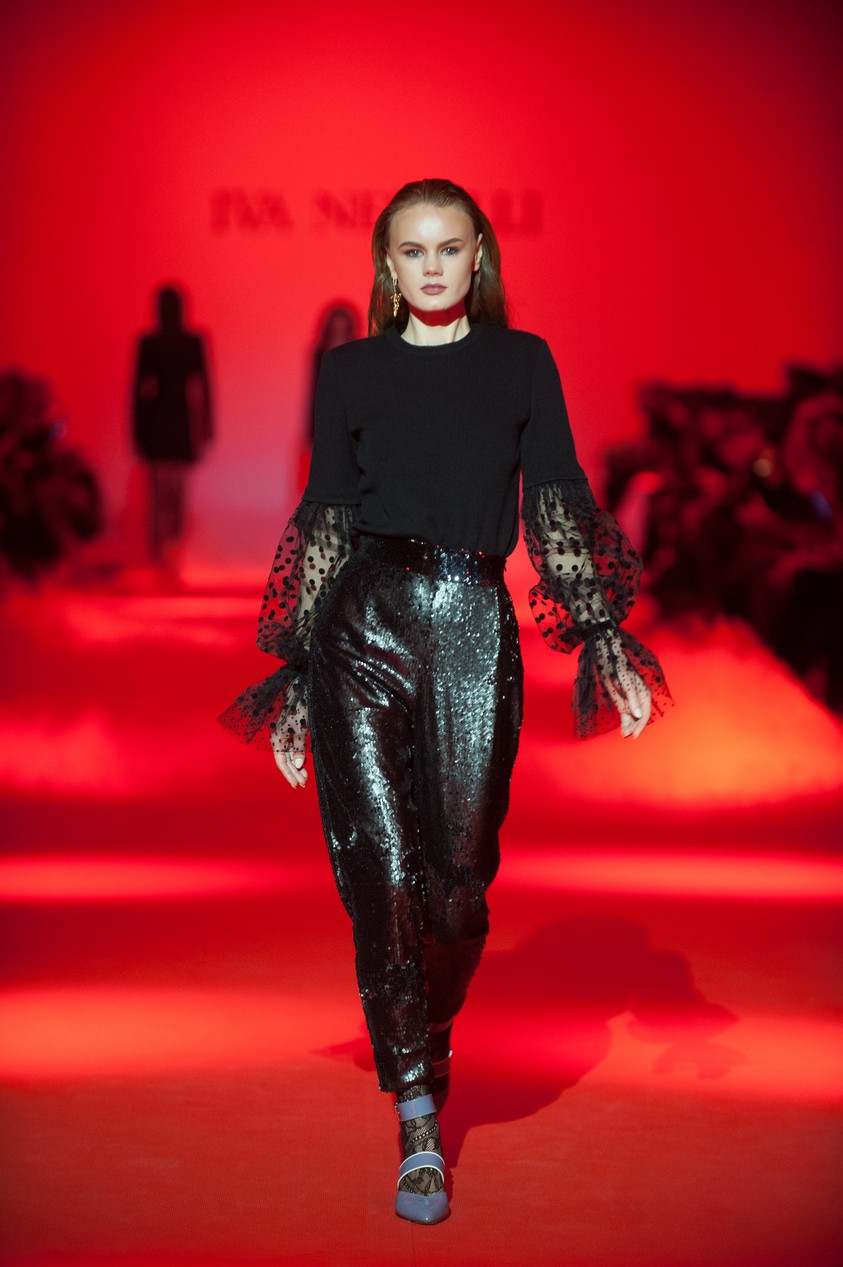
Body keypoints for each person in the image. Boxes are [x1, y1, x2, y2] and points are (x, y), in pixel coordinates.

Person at [219, 179, 672, 1225]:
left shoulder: (522, 362)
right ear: (386, 266)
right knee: (380, 869)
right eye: (411, 251)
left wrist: (601, 632)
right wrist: (296, 670)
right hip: (362, 626)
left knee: (459, 887)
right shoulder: (351, 372)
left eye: (449, 248)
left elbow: (554, 494)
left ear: (479, 257)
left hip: (474, 628)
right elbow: (328, 510)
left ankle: (427, 1028)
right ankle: (417, 1114)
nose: (431, 267)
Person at [133, 285, 213, 573]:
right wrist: (207, 429)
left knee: (163, 495)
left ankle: (164, 555)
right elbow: (204, 388)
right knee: (172, 494)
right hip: (178, 422)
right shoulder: (189, 342)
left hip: (163, 422)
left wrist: (138, 431)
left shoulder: (152, 342)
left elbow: (139, 391)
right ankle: (167, 554)